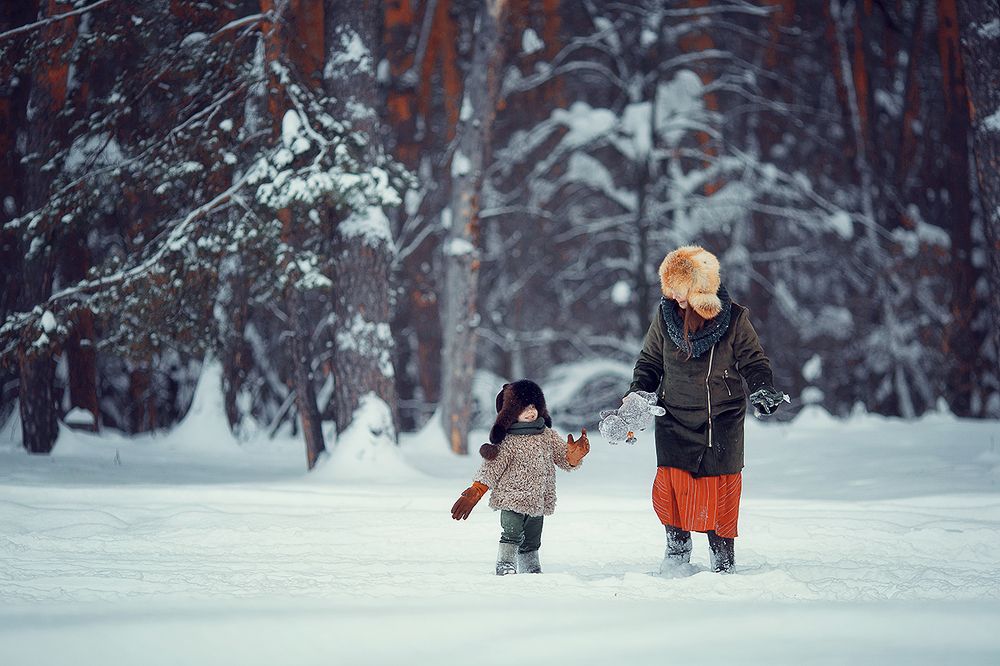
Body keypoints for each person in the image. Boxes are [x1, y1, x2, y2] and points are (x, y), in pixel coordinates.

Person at [624, 245, 785, 574]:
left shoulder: (735, 319)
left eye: (681, 292)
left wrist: (762, 388)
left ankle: (722, 562)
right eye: (671, 291)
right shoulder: (665, 315)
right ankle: (676, 555)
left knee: (718, 495)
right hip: (673, 418)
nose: (676, 299)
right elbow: (650, 361)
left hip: (719, 420)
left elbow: (753, 361)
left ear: (701, 289)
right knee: (672, 491)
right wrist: (638, 393)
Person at [451, 379, 590, 575]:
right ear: (510, 413)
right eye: (524, 408)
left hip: (539, 500)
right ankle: (505, 564)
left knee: (533, 538)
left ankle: (530, 566)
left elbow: (563, 458)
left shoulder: (547, 435)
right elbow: (491, 469)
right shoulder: (508, 441)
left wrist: (573, 456)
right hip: (512, 499)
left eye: (533, 406)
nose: (530, 411)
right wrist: (476, 491)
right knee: (511, 533)